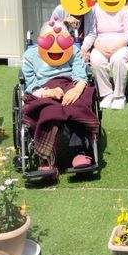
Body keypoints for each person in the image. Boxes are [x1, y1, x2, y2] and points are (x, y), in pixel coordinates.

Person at [21, 21, 100, 173]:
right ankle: (46, 158)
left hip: (70, 84)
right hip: (44, 88)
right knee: (49, 111)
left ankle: (80, 151)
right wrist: (47, 92)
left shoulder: (73, 50)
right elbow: (30, 84)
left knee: (77, 106)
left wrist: (77, 89)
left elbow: (80, 74)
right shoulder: (30, 55)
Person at [90, 0, 128, 110]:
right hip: (100, 45)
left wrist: (117, 46)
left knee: (118, 60)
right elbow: (91, 32)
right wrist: (98, 46)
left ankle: (119, 96)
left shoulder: (123, 10)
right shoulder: (94, 9)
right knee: (96, 60)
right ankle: (107, 94)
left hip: (120, 45)